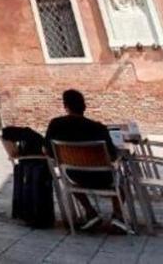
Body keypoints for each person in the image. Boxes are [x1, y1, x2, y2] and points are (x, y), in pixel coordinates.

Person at [44, 89, 126, 232]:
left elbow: (48, 151)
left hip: (74, 175)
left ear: (66, 106)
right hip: (103, 177)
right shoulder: (99, 128)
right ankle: (117, 216)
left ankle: (90, 211)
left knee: (66, 178)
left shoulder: (55, 124)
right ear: (84, 107)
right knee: (122, 178)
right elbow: (112, 155)